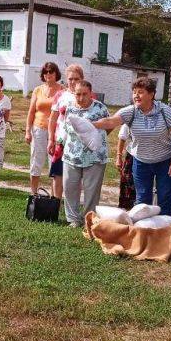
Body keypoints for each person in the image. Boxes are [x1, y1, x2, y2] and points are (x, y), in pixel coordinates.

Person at [93, 77, 171, 216]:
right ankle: (143, 233)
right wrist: (91, 124)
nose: (136, 95)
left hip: (165, 161)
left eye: (140, 92)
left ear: (151, 94)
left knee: (165, 199)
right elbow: (111, 122)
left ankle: (166, 234)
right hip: (141, 162)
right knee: (142, 201)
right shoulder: (131, 111)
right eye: (134, 92)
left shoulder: (164, 111)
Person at [61, 80, 110, 227]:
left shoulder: (100, 108)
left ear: (91, 93)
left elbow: (108, 127)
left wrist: (96, 140)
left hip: (95, 156)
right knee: (69, 188)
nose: (81, 98)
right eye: (78, 94)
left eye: (84, 94)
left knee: (91, 191)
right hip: (71, 154)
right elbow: (66, 128)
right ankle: (73, 219)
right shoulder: (69, 108)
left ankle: (88, 220)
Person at [25, 62, 64, 195]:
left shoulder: (62, 90)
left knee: (53, 163)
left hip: (55, 132)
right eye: (46, 72)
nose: (48, 74)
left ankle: (54, 197)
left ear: (56, 73)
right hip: (38, 129)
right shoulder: (37, 90)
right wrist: (27, 131)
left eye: (51, 72)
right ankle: (34, 194)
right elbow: (31, 112)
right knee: (36, 161)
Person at [47, 64, 85, 199]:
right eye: (70, 79)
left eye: (76, 79)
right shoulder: (60, 95)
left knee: (76, 177)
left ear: (82, 79)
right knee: (58, 175)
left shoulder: (87, 95)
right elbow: (52, 119)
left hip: (79, 143)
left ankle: (72, 207)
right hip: (61, 141)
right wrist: (51, 139)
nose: (73, 82)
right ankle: (55, 204)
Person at [116, 123, 136, 209]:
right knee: (127, 181)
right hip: (132, 155)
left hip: (151, 157)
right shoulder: (131, 116)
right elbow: (122, 137)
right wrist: (119, 157)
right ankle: (125, 208)